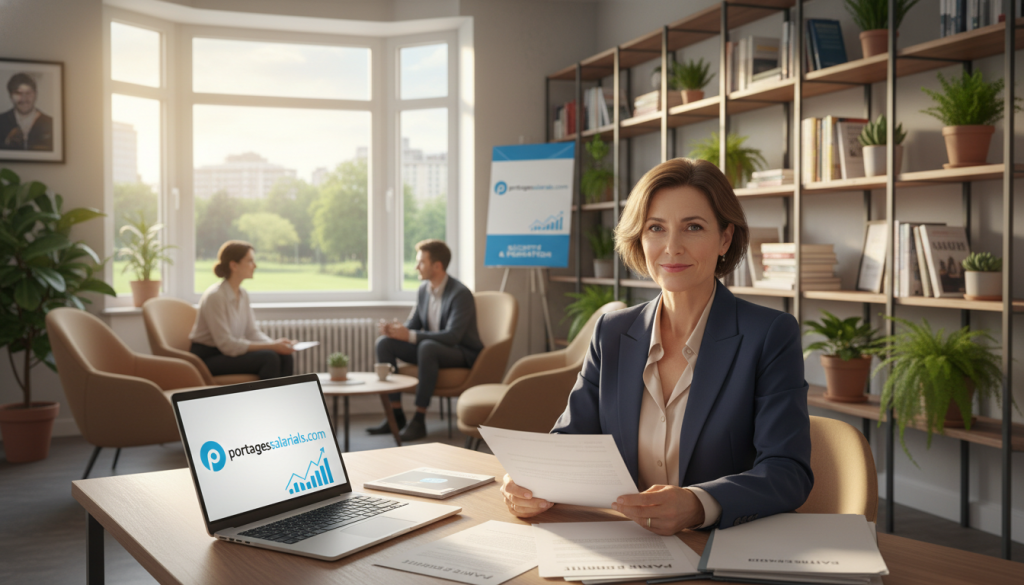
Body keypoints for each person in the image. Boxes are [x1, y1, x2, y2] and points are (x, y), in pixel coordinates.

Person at [500, 158, 813, 534]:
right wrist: (529, 482)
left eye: (693, 227)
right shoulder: (611, 332)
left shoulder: (769, 334)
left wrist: (699, 504)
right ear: (640, 238)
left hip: (720, 549)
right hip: (626, 544)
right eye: (656, 228)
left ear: (725, 238)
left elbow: (787, 470)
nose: (672, 247)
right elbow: (569, 443)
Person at [372, 239, 483, 441]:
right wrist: (396, 331)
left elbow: (453, 336)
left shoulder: (460, 294)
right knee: (384, 344)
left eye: (421, 262)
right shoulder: (424, 290)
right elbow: (414, 324)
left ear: (437, 266)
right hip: (431, 348)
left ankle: (419, 419)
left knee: (427, 346)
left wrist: (410, 335)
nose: (416, 267)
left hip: (461, 352)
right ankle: (395, 415)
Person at [189, 240, 296, 380]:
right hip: (209, 357)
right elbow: (226, 345)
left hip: (226, 353)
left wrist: (277, 345)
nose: (255, 265)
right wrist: (271, 347)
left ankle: (283, 401)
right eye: (250, 261)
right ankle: (265, 402)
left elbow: (252, 332)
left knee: (285, 356)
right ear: (234, 265)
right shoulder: (215, 296)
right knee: (269, 358)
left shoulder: (243, 294)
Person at [0, 73, 54, 151]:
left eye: (28, 93)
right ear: (11, 96)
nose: (24, 99)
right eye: (18, 93)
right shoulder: (1, 121)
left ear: (35, 94)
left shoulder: (51, 123)